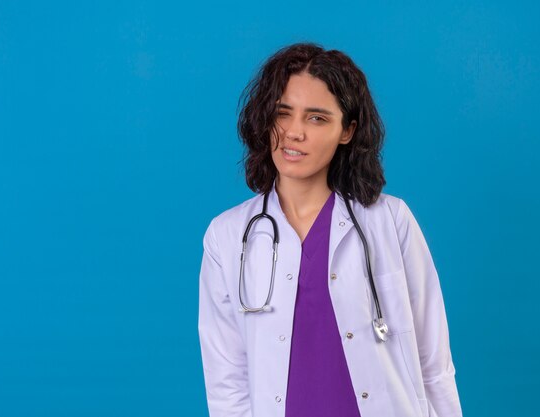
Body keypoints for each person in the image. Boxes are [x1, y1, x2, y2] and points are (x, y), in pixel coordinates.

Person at [198, 42, 463, 417]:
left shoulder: (390, 221)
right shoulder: (226, 238)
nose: (294, 133)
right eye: (283, 113)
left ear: (347, 130)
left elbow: (434, 362)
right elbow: (227, 382)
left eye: (316, 118)